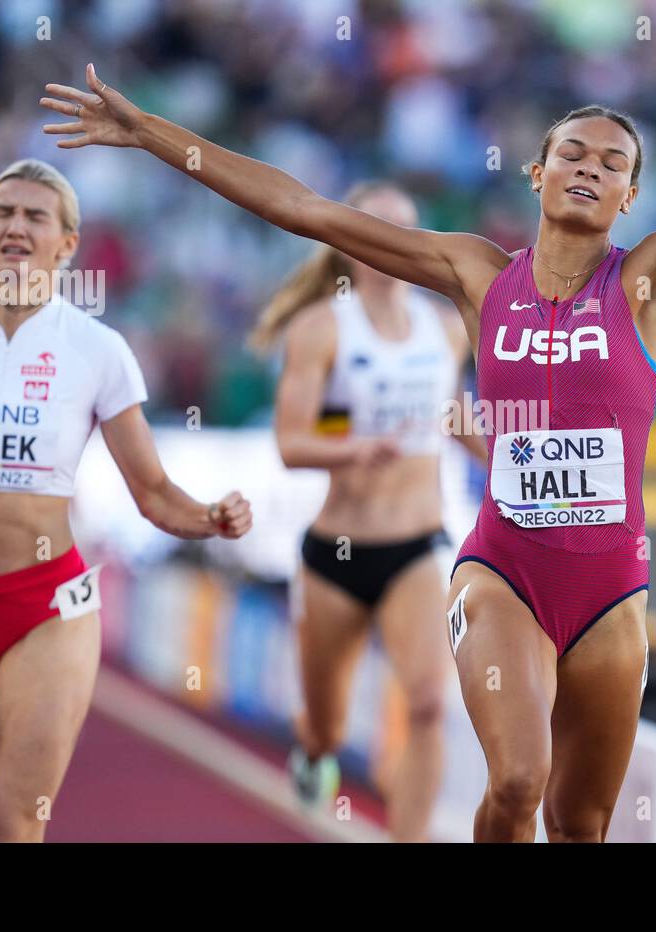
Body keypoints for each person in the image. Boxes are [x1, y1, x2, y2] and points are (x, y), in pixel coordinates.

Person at [41, 36, 656, 840]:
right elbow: (303, 206)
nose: (591, 169)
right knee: (516, 783)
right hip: (503, 571)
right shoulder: (475, 273)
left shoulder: (651, 280)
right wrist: (152, 134)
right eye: (575, 152)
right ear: (537, 169)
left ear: (630, 197)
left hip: (611, 593)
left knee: (580, 821)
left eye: (613, 164)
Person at [0, 159, 253, 842]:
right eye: (3, 212)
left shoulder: (98, 352)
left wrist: (210, 518)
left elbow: (155, 495)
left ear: (67, 245)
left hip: (49, 613)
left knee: (13, 828)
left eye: (35, 216)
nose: (16, 226)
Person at [250, 180, 484, 841]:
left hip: (419, 545)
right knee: (323, 725)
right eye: (377, 229)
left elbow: (455, 411)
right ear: (348, 244)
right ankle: (317, 752)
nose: (393, 244)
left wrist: (513, 459)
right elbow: (290, 442)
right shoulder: (321, 328)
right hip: (337, 553)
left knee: (431, 704)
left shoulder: (444, 329)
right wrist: (353, 449)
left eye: (406, 230)